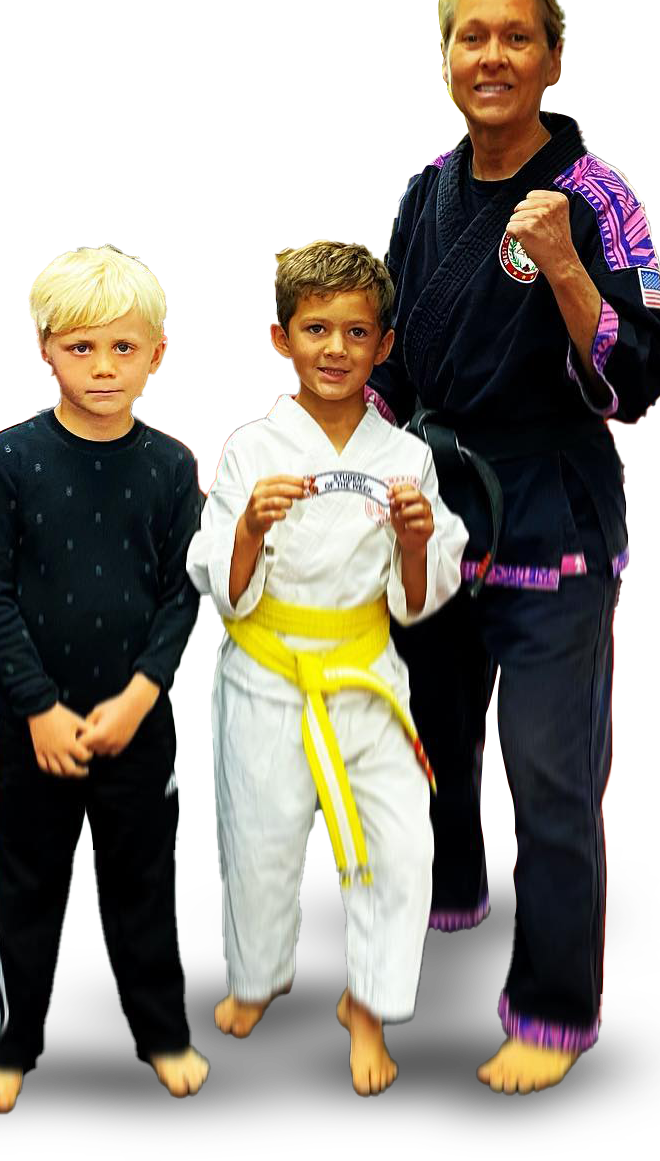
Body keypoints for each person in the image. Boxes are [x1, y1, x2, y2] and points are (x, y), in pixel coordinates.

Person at [366, 0, 660, 1094]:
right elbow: (393, 363)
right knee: (434, 741)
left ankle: (553, 1012)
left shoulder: (598, 195)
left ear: (552, 56)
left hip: (553, 508)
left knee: (550, 773)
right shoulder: (421, 191)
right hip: (437, 505)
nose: (489, 57)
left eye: (514, 37)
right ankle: (452, 914)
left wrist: (559, 269)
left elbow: (641, 375)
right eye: (469, 38)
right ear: (445, 56)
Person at [187, 239, 468, 1095]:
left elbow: (417, 597)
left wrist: (418, 542)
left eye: (357, 332)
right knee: (260, 842)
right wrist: (247, 531)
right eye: (317, 329)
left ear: (385, 345)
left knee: (399, 846)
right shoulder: (252, 449)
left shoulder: (407, 458)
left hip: (365, 670)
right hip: (266, 669)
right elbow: (221, 586)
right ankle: (258, 982)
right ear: (282, 338)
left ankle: (371, 1007)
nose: (336, 349)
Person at [0, 243, 210, 1113]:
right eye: (80, 348)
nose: (102, 367)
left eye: (122, 348)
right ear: (43, 350)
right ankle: (10, 1044)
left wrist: (140, 697)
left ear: (158, 352)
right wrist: (37, 707)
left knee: (144, 887)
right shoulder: (10, 461)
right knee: (26, 890)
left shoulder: (173, 466)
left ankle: (162, 1035)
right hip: (34, 728)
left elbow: (184, 594)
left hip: (138, 725)